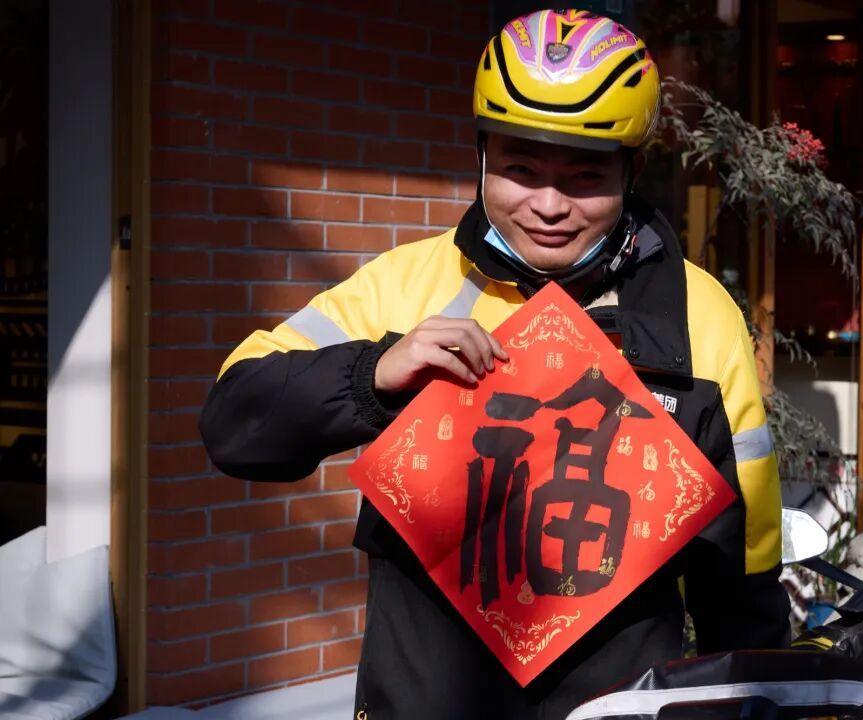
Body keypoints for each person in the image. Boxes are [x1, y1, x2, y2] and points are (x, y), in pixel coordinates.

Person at [200, 8, 789, 719]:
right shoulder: (404, 285)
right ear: (482, 155)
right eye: (520, 169)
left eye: (584, 176)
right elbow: (233, 423)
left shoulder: (700, 316)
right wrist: (373, 373)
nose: (549, 205)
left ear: (631, 170)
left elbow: (743, 573)